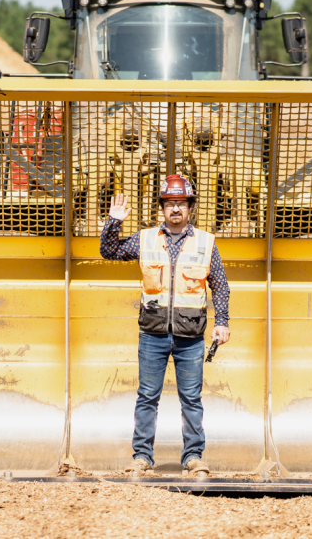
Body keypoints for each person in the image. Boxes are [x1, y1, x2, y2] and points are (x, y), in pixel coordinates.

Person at [99, 174, 231, 476]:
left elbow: (220, 285)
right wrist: (113, 222)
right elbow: (109, 251)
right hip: (153, 334)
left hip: (191, 338)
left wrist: (222, 322)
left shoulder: (206, 242)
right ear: (161, 207)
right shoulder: (145, 239)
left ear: (190, 207)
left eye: (181, 203)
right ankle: (142, 457)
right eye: (170, 203)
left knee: (191, 399)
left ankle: (193, 457)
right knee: (147, 397)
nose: (175, 209)